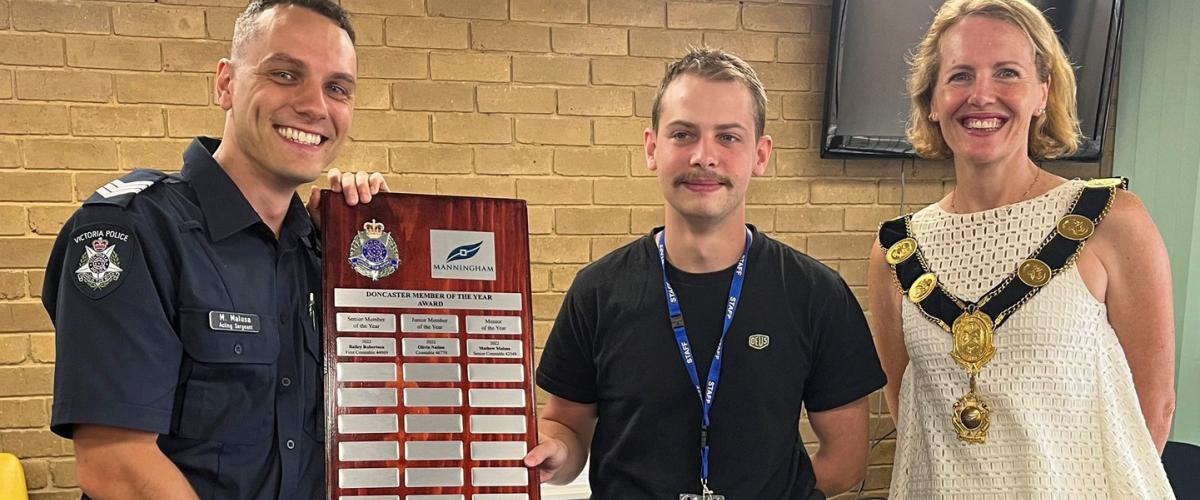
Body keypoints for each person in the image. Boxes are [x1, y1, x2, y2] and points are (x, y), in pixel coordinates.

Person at [41, 1, 386, 498]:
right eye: (285, 74)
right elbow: (115, 464)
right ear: (226, 83)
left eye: (337, 88)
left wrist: (387, 241)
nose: (315, 106)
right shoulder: (132, 231)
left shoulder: (324, 250)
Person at [524, 48, 886, 499]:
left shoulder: (816, 294)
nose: (704, 156)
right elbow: (567, 429)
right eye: (683, 134)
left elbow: (846, 461)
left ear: (760, 154)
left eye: (728, 137)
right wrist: (555, 452)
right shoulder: (598, 291)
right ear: (652, 148)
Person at [867, 0, 1176, 497]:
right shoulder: (896, 252)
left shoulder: (1111, 220)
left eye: (1007, 72)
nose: (981, 95)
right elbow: (911, 408)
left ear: (1042, 94)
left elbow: (1153, 409)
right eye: (960, 75)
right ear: (931, 100)